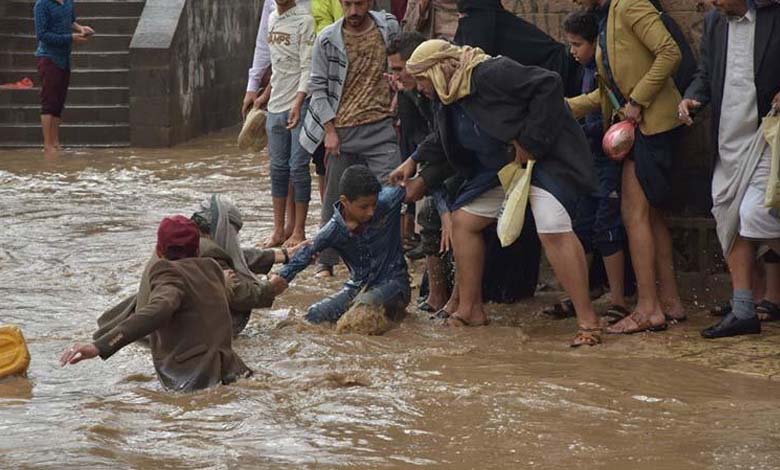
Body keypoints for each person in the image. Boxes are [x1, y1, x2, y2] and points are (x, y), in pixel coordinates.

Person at [397, 40, 601, 346]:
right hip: (502, 171)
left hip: (545, 160)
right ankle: (470, 308)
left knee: (552, 229)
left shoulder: (490, 73)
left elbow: (549, 84)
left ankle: (589, 322)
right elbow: (443, 139)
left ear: (438, 71)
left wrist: (531, 142)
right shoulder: (448, 97)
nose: (420, 89)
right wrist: (414, 162)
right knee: (464, 222)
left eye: (423, 80)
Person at [568, 0, 686, 334]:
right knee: (651, 217)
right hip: (641, 126)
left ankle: (649, 308)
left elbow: (669, 52)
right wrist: (564, 107)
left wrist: (638, 101)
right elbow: (608, 94)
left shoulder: (630, 4)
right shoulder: (606, 17)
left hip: (653, 126)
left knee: (632, 214)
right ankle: (671, 302)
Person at [679, 0, 780, 338]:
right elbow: (705, 73)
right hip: (728, 139)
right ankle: (743, 310)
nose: (711, 2)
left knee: (756, 215)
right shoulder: (713, 22)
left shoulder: (774, 16)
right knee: (729, 216)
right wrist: (692, 98)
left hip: (767, 136)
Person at [61, 216, 253, 392]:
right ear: (197, 248)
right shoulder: (212, 268)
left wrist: (100, 346)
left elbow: (158, 310)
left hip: (190, 378)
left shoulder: (166, 271)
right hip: (231, 367)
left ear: (159, 250)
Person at [94, 195, 304, 338]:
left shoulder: (183, 238)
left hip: (148, 325)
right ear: (222, 228)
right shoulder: (205, 250)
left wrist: (282, 255)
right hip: (173, 338)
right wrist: (270, 288)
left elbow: (234, 255)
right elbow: (240, 295)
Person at [299, 0, 401, 278]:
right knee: (336, 199)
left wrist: (397, 95)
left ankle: (387, 262)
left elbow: (402, 65)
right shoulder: (327, 39)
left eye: (359, 3)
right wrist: (329, 131)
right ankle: (326, 262)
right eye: (347, 4)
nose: (353, 11)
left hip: (381, 128)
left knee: (389, 197)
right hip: (341, 131)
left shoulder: (388, 27)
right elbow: (318, 87)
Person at [557, 10, 628, 323]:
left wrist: (574, 131)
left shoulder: (601, 71)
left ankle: (618, 299)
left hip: (606, 160)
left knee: (607, 226)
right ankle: (579, 296)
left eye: (577, 44)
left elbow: (604, 119)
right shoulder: (585, 70)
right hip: (588, 163)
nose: (573, 51)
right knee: (582, 227)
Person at [270, 165, 411, 323]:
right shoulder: (334, 229)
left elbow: (423, 184)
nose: (371, 212)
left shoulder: (389, 199)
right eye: (364, 207)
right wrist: (280, 279)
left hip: (395, 283)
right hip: (358, 286)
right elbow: (306, 253)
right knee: (315, 315)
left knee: (361, 312)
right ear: (345, 201)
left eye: (374, 205)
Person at [255, 0, 316, 248]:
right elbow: (277, 67)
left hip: (298, 105)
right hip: (276, 106)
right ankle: (278, 230)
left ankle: (299, 231)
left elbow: (307, 68)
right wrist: (263, 96)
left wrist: (299, 102)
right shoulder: (271, 19)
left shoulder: (305, 20)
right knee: (277, 170)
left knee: (298, 167)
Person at [454, 0, 581, 97]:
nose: (463, 22)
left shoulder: (495, 28)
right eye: (461, 17)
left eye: (466, 16)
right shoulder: (488, 25)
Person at [33, 0, 93, 158]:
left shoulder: (68, 2)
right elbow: (42, 35)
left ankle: (56, 142)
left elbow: (70, 21)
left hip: (64, 57)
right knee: (49, 101)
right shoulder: (42, 4)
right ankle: (47, 144)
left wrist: (80, 28)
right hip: (48, 57)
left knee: (58, 101)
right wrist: (71, 38)